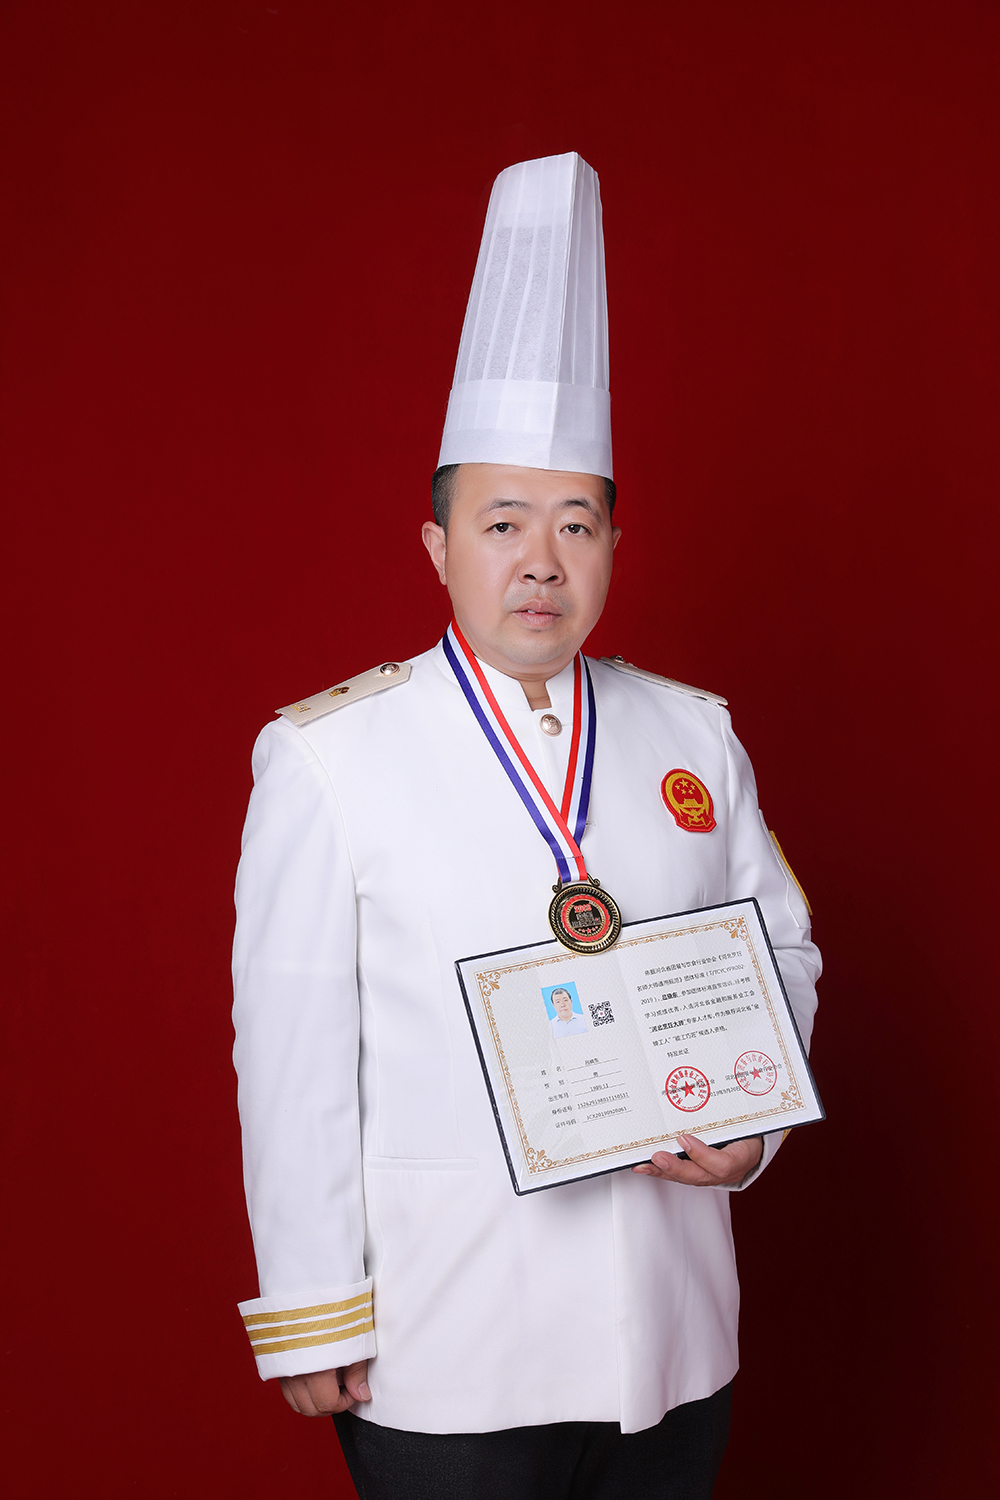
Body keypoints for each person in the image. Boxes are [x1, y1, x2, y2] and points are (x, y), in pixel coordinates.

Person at [232, 153, 820, 1499]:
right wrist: (313, 1301)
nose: (541, 562)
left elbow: (781, 951)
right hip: (447, 1337)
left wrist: (754, 1125)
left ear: (612, 544)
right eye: (503, 523)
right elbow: (293, 1049)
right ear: (438, 546)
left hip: (671, 1329)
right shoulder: (328, 757)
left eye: (576, 525)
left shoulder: (693, 736)